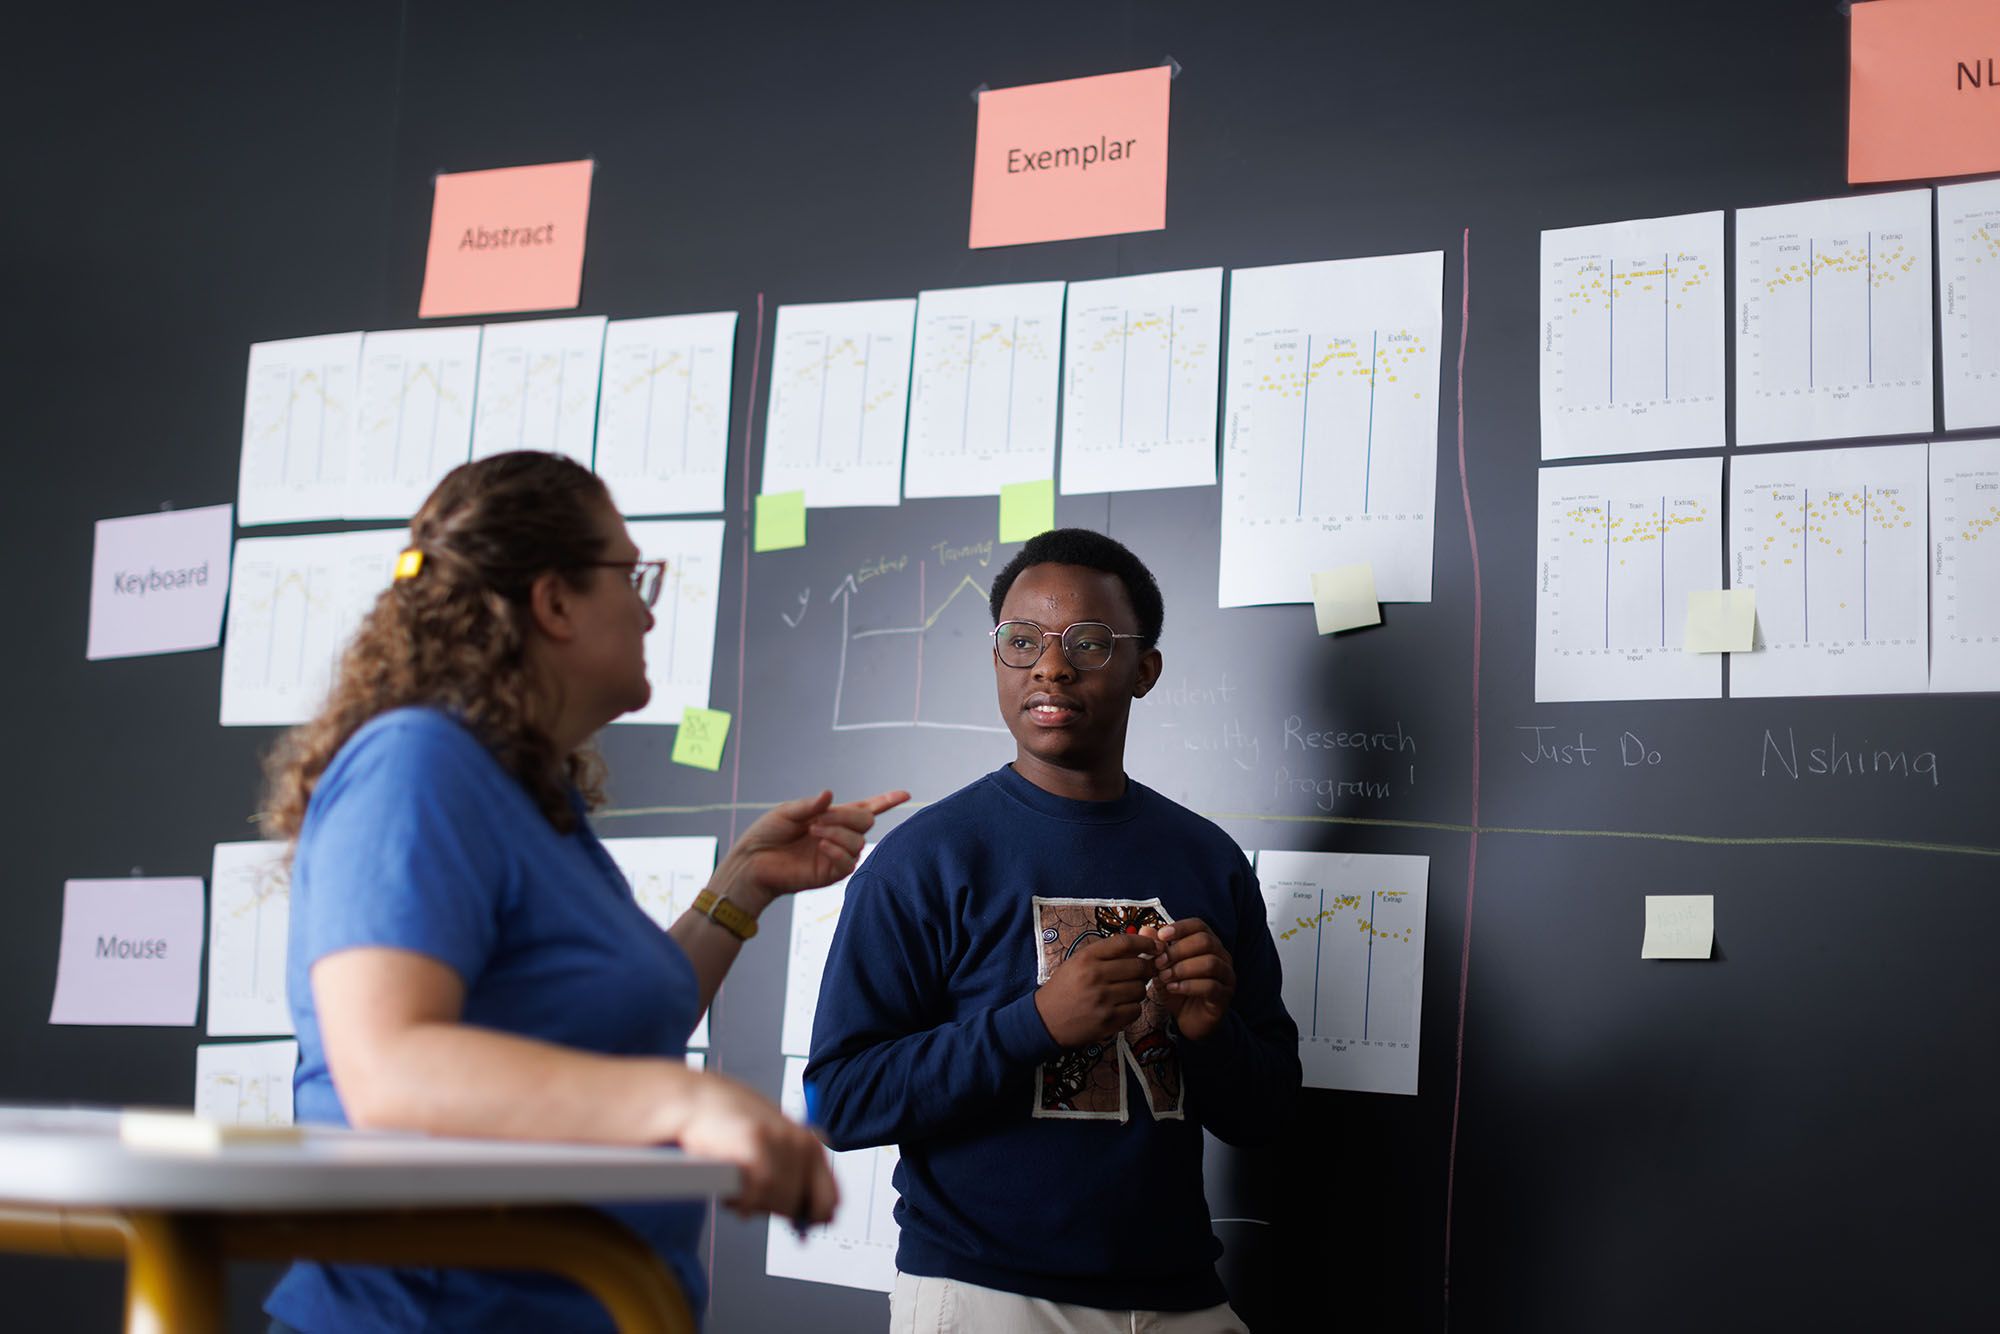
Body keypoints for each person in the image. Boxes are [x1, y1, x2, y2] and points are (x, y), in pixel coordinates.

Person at [258, 451, 906, 1332]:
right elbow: (391, 1070)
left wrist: (742, 887)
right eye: (628, 576)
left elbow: (598, 1041)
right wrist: (688, 1101)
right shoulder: (413, 764)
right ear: (554, 600)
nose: (646, 610)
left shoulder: (529, 793)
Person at [805, 528, 1301, 1333]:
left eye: (1089, 643)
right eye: (1022, 641)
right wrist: (1035, 1024)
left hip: (1180, 1293)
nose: (1051, 666)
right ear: (998, 659)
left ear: (1145, 670)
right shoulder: (926, 859)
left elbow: (1268, 1115)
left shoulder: (1206, 860)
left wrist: (1211, 1036)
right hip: (989, 1295)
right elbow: (838, 1099)